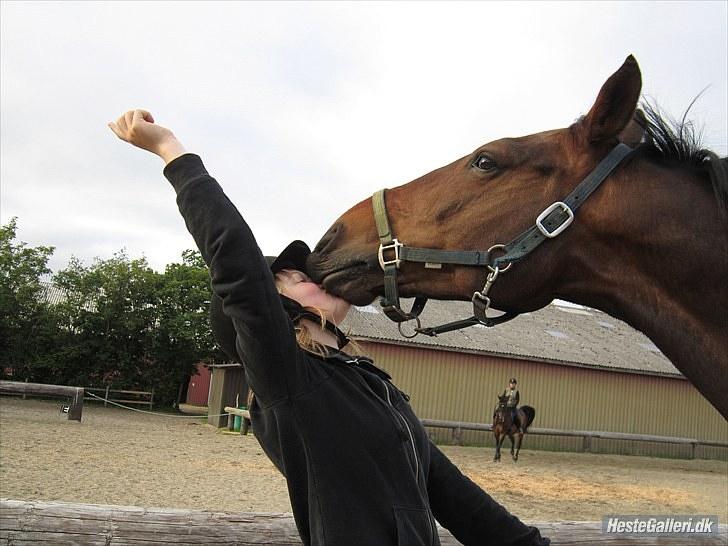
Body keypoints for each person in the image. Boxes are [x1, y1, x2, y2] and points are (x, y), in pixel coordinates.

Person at [108, 109, 549, 546]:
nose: (315, 277)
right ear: (277, 309)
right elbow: (235, 261)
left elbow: (456, 497)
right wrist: (171, 151)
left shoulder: (371, 385)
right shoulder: (287, 378)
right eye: (298, 279)